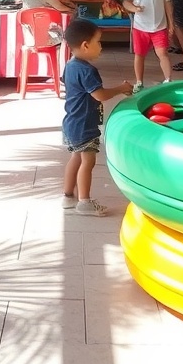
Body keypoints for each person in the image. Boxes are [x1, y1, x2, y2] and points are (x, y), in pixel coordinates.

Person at [61, 19, 133, 217]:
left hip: (71, 122)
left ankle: (67, 196)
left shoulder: (71, 65)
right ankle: (84, 201)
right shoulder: (87, 70)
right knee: (88, 161)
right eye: (99, 42)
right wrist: (121, 89)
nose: (101, 46)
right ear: (85, 45)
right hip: (84, 124)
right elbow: (100, 95)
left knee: (76, 157)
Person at [123, 0, 174, 93]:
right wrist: (134, 8)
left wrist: (171, 23)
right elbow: (126, 2)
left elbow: (168, 3)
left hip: (160, 26)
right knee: (140, 55)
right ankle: (139, 82)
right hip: (140, 28)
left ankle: (168, 80)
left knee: (163, 53)